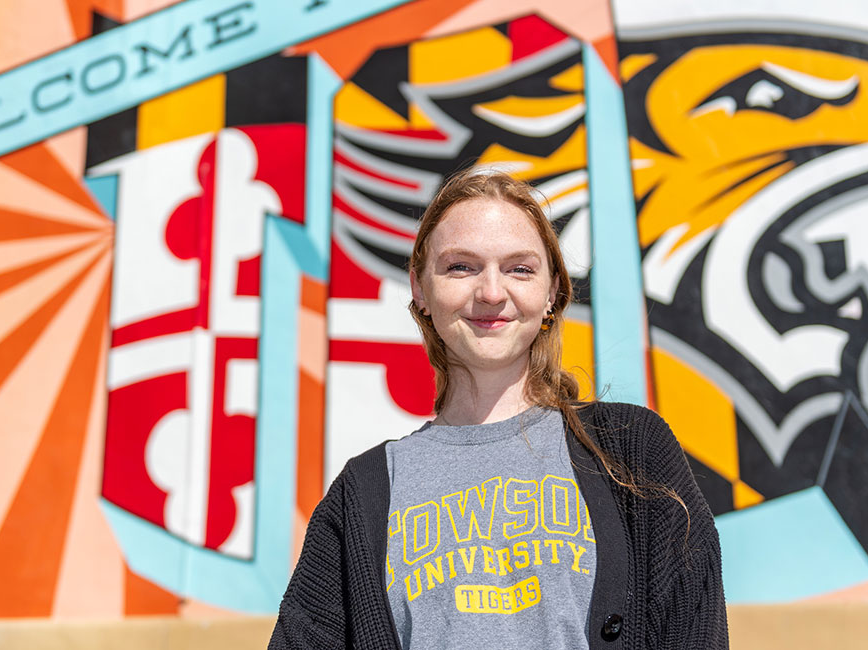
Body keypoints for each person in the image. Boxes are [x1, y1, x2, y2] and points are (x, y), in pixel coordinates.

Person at [268, 170, 729, 650]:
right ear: (421, 289)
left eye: (520, 269)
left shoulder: (632, 449)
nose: (491, 292)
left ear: (552, 290)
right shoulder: (362, 494)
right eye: (461, 267)